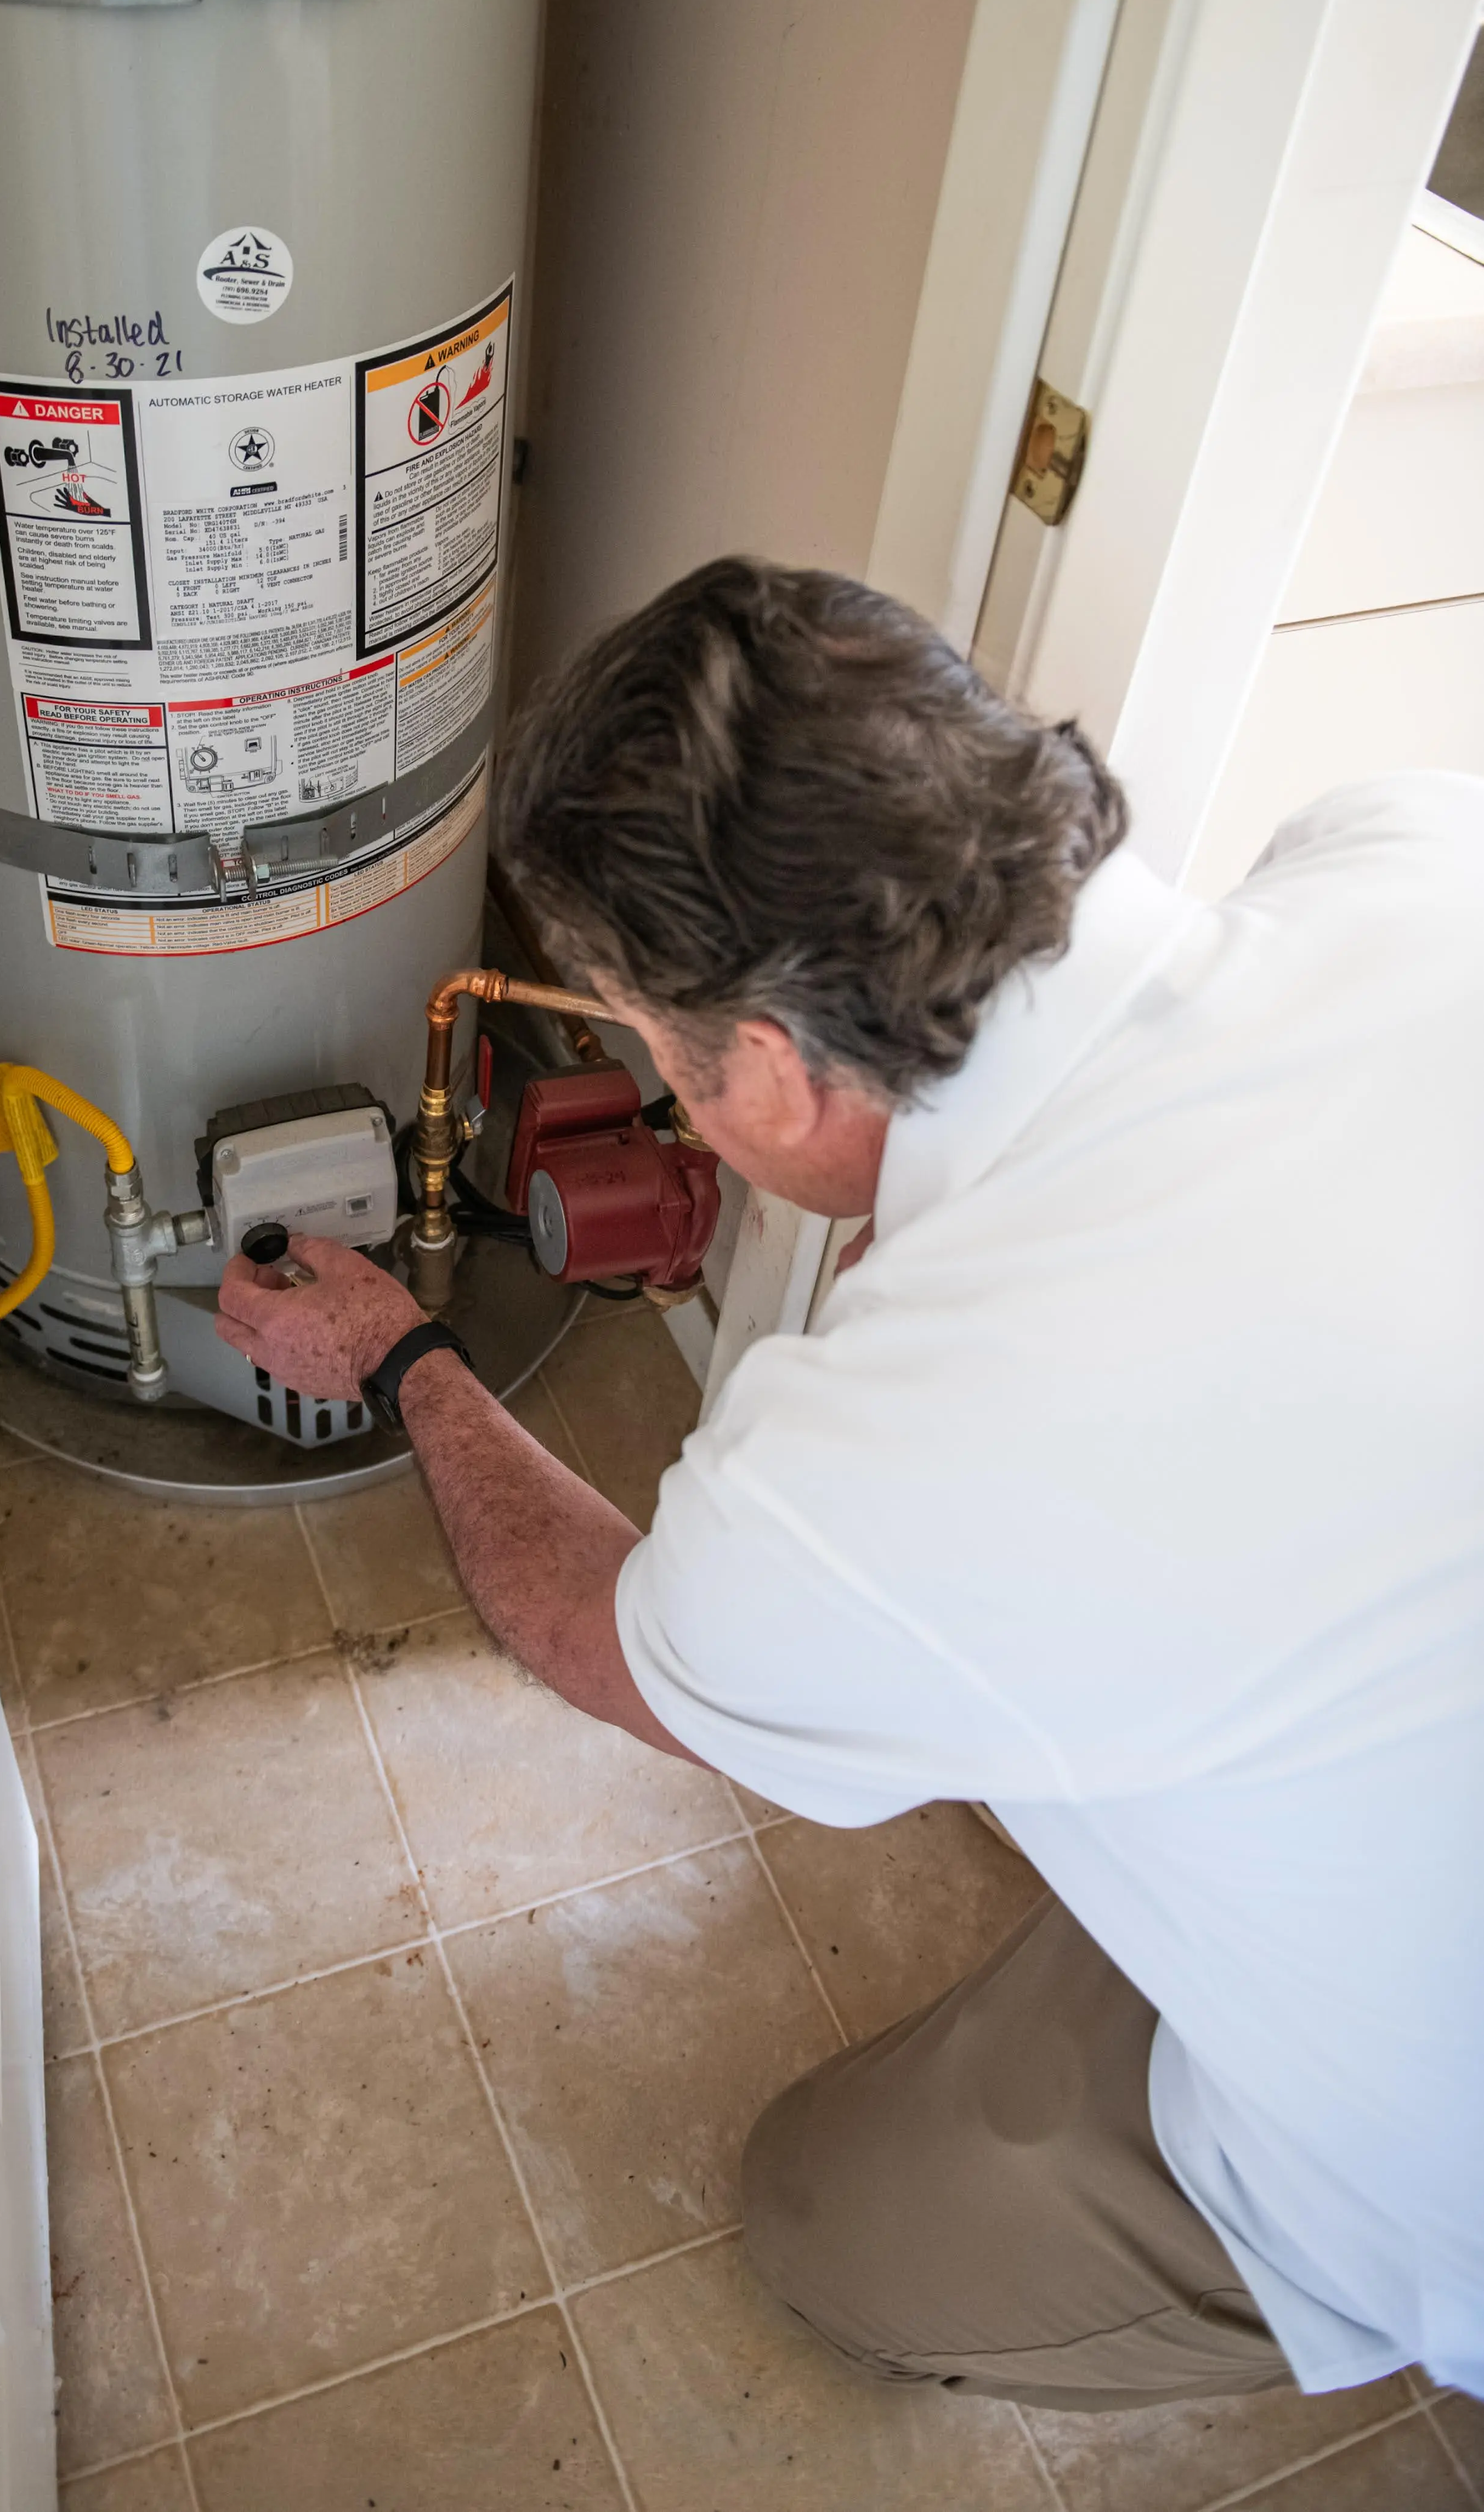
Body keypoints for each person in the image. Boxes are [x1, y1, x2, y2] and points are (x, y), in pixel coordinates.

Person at [216, 558, 1484, 2413]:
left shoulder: (884, 1477)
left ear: (776, 1065)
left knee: (828, 2217)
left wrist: (407, 1361)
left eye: (648, 1049)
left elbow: (604, 1635)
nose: (657, 1090)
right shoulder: (1410, 858)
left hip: (1439, 2159)